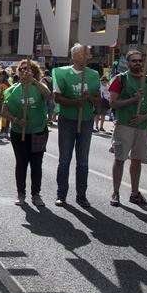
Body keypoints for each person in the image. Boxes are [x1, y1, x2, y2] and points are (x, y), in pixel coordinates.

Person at [52, 43, 101, 207]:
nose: (87, 55)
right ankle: (61, 194)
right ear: (74, 56)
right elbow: (57, 98)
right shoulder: (62, 73)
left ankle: (81, 196)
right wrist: (75, 102)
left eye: (88, 53)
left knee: (83, 161)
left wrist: (89, 98)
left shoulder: (94, 75)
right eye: (84, 53)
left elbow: (98, 99)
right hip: (67, 120)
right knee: (64, 159)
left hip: (86, 121)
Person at [107, 50, 147, 207]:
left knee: (137, 160)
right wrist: (133, 99)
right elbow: (112, 103)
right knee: (120, 158)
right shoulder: (120, 79)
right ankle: (115, 192)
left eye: (139, 60)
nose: (137, 63)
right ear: (128, 63)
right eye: (134, 61)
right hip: (124, 125)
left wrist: (144, 117)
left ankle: (135, 193)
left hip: (142, 126)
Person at [1, 60, 51, 207]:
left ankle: (36, 194)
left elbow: (48, 95)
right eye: (22, 69)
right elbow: (4, 112)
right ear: (18, 72)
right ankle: (20, 193)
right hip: (19, 133)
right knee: (21, 163)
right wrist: (16, 120)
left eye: (28, 69)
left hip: (38, 131)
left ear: (34, 72)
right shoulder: (12, 90)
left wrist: (34, 81)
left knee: (36, 164)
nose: (25, 71)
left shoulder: (40, 85)